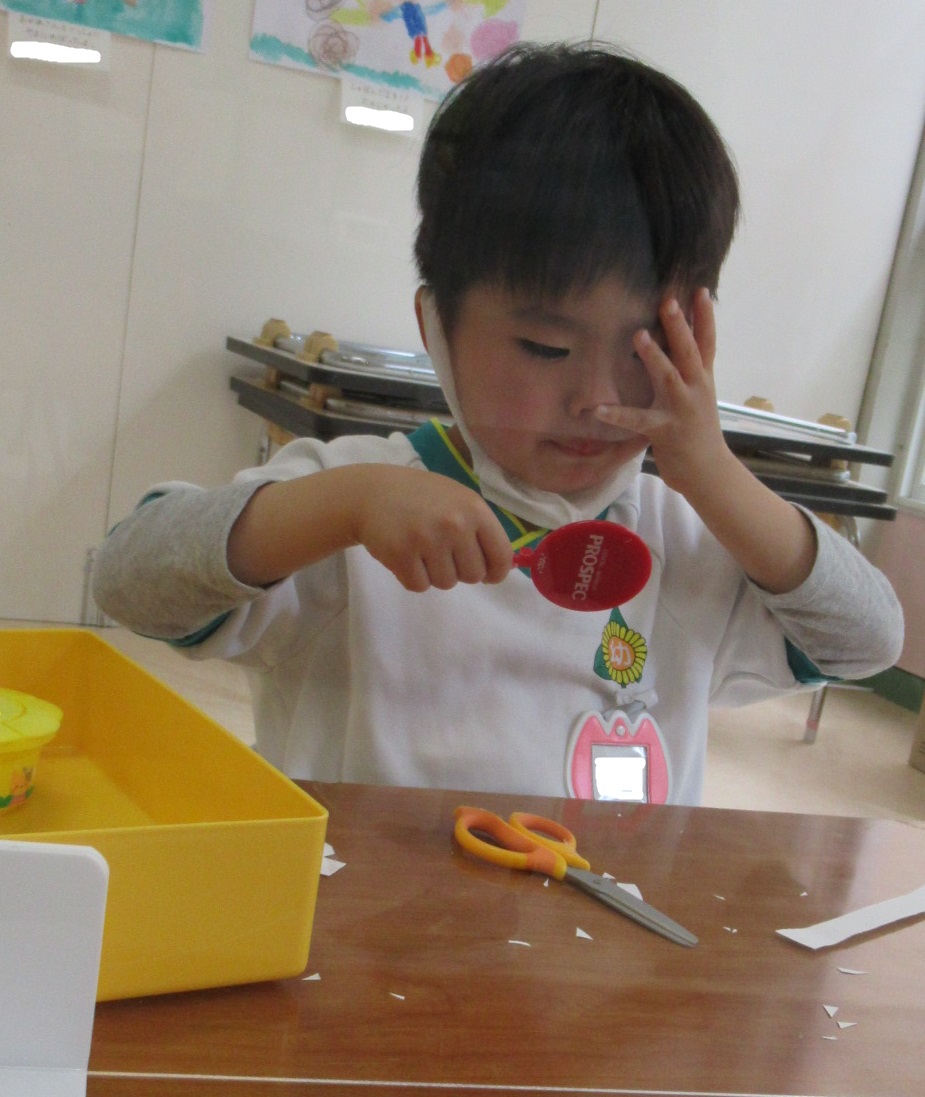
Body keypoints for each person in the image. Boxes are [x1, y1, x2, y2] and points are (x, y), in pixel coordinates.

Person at [92, 42, 903, 805]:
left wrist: (713, 471)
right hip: (368, 911)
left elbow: (868, 640)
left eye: (645, 349)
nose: (594, 398)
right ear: (436, 327)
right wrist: (342, 505)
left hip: (605, 915)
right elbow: (129, 577)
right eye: (545, 347)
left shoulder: (685, 540)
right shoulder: (354, 510)